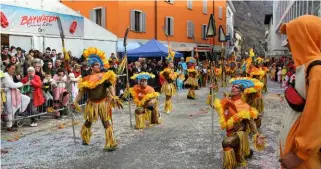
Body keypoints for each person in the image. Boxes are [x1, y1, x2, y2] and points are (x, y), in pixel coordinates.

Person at [279, 15, 321, 169]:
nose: (288, 41)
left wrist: (300, 154)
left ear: (304, 36)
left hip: (303, 159)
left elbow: (317, 116)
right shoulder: (305, 66)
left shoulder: (316, 70)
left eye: (291, 35)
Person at [74, 47, 123, 151]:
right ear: (92, 67)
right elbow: (81, 92)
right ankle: (85, 138)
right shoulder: (86, 79)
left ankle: (111, 142)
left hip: (103, 103)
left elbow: (110, 86)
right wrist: (75, 101)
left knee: (106, 122)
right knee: (88, 122)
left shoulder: (104, 76)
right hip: (91, 104)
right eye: (96, 64)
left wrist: (114, 96)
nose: (99, 66)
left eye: (99, 64)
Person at [212, 79, 265, 169]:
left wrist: (257, 135)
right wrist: (211, 91)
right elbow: (214, 105)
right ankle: (246, 152)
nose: (233, 88)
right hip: (230, 132)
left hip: (240, 134)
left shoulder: (245, 106)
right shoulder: (226, 101)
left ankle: (230, 166)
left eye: (236, 87)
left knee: (226, 143)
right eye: (233, 86)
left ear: (241, 92)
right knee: (237, 154)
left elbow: (251, 123)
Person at [2, 63, 30, 131]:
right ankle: (9, 127)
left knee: (26, 98)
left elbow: (13, 85)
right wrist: (22, 83)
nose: (14, 70)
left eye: (14, 69)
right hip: (6, 95)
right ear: (7, 68)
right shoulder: (5, 75)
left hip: (12, 93)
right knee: (10, 111)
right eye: (12, 69)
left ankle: (19, 111)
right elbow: (12, 85)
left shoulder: (10, 76)